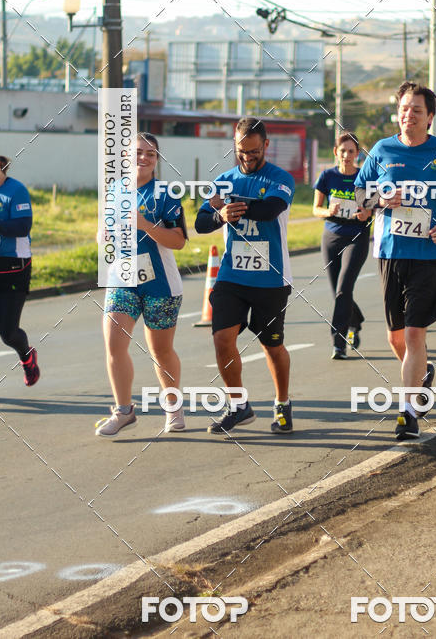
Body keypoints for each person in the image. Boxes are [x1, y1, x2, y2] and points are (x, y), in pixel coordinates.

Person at [355, 82, 436, 441]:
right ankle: (423, 373)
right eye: (403, 108)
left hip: (429, 254)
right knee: (396, 336)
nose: (408, 114)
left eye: (416, 109)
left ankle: (408, 412)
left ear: (430, 117)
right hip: (390, 252)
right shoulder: (382, 150)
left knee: (416, 332)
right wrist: (381, 199)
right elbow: (358, 195)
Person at [195, 117, 295, 435]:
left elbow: (270, 210)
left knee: (272, 346)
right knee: (222, 339)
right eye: (241, 151)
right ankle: (239, 406)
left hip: (271, 279)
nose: (247, 157)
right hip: (232, 276)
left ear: (266, 145)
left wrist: (233, 208)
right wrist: (218, 215)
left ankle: (282, 403)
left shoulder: (281, 178)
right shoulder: (223, 180)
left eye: (253, 151)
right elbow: (200, 223)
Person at [95, 133, 187, 437]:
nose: (143, 157)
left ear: (157, 160)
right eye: (137, 152)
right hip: (122, 280)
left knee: (160, 350)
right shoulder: (114, 191)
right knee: (113, 343)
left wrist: (146, 225)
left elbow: (179, 241)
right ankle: (124, 410)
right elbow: (104, 233)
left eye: (150, 153)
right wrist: (105, 238)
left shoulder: (165, 194)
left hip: (160, 283)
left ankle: (173, 407)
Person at [313, 132, 372, 359]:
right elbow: (316, 208)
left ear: (357, 154)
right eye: (342, 151)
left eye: (351, 151)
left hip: (356, 237)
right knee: (337, 292)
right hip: (331, 237)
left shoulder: (364, 178)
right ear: (336, 152)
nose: (346, 155)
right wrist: (328, 211)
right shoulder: (327, 176)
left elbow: (373, 208)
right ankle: (355, 321)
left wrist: (365, 214)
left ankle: (339, 343)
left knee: (343, 289)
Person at [0, 155, 39, 386]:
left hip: (14, 267)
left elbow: (23, 226)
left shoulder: (16, 190)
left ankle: (27, 356)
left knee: (8, 332)